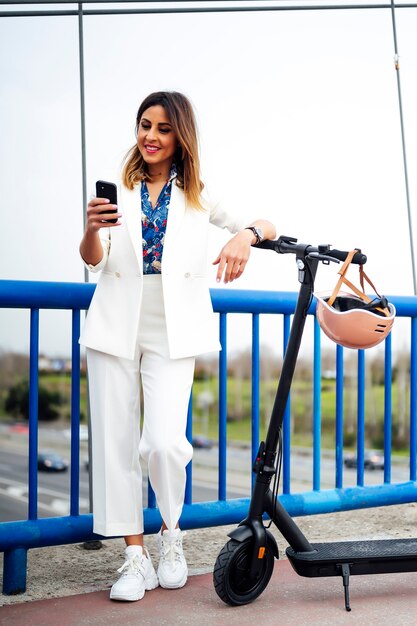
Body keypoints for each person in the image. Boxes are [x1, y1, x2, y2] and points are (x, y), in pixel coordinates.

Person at [79, 91, 276, 602]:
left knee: (164, 443)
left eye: (163, 128)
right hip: (114, 322)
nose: (150, 136)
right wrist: (90, 230)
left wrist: (245, 238)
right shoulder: (118, 192)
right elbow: (92, 261)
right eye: (144, 125)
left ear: (179, 136)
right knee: (115, 443)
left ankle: (171, 536)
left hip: (174, 327)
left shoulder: (199, 195)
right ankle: (134, 557)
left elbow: (267, 224)